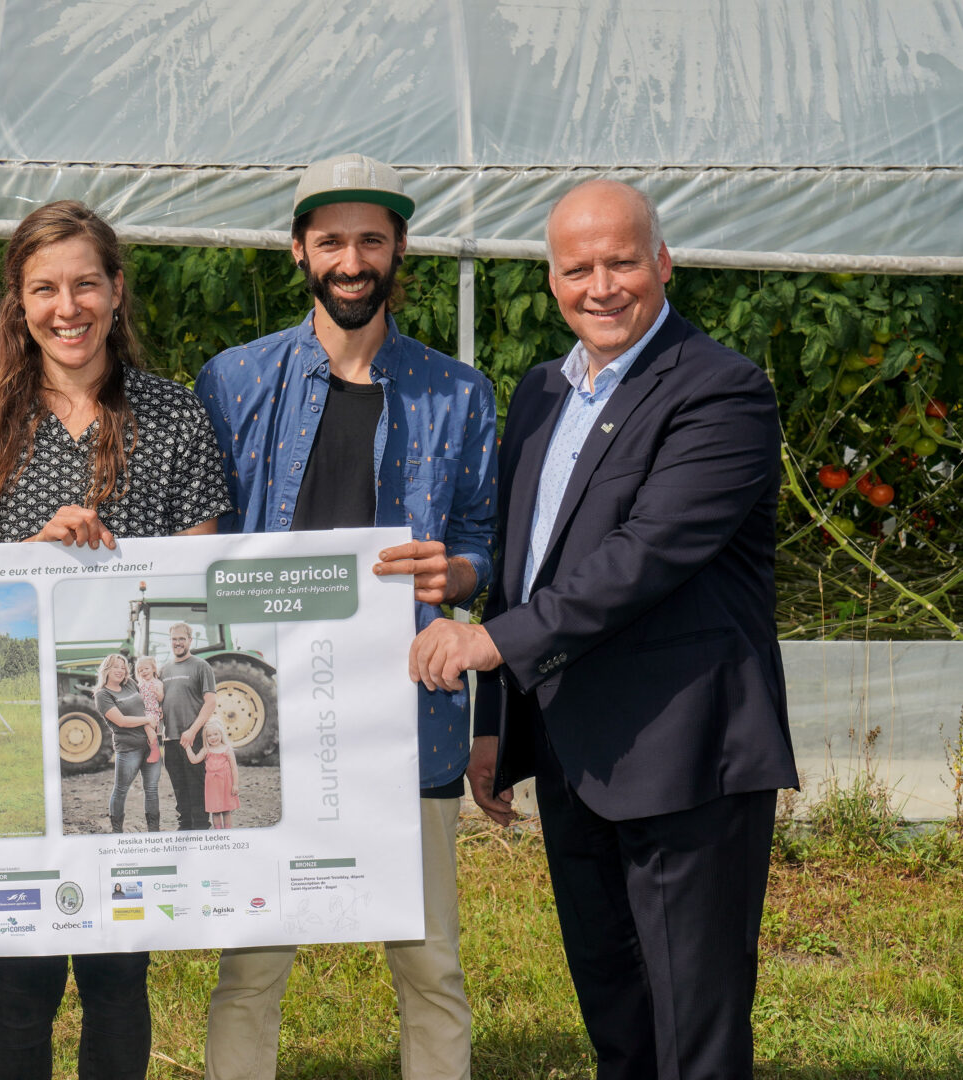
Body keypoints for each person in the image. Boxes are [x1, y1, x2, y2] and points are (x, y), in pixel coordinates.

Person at [410, 178, 798, 1080]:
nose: (602, 285)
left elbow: (645, 556)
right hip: (578, 757)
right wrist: (496, 723)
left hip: (685, 753)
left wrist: (488, 644)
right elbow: (526, 561)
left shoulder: (723, 391)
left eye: (622, 261)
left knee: (693, 1034)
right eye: (578, 267)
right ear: (552, 281)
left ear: (663, 263)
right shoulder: (545, 391)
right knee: (617, 1019)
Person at [195, 152, 496, 1080]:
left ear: (399, 248)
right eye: (332, 240)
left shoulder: (457, 393)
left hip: (405, 713)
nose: (352, 258)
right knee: (251, 963)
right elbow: (199, 537)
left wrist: (459, 570)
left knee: (429, 960)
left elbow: (485, 540)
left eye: (371, 239)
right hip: (266, 716)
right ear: (299, 251)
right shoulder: (236, 382)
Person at [0, 199, 231, 1079]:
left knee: (116, 976)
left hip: (120, 740)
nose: (68, 307)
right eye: (45, 288)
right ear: (18, 303)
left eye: (85, 284)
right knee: (19, 983)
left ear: (117, 290)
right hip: (26, 735)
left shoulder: (173, 419)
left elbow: (195, 577)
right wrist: (32, 555)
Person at [93, 652, 163, 832]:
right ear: (106, 669)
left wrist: (158, 709)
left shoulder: (131, 684)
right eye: (116, 667)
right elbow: (122, 721)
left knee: (152, 789)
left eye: (123, 667)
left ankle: (153, 832)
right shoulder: (103, 695)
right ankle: (118, 832)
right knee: (121, 790)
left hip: (149, 745)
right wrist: (147, 720)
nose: (120, 670)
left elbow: (148, 702)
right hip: (129, 749)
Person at [158, 622, 217, 830]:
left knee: (196, 786)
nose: (177, 643)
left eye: (182, 639)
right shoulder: (163, 670)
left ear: (190, 641)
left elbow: (210, 702)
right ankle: (184, 827)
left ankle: (201, 827)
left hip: (193, 738)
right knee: (179, 787)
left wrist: (192, 731)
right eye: (174, 639)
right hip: (170, 740)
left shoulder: (201, 666)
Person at [186, 719, 240, 829]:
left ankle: (227, 832)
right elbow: (194, 760)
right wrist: (187, 747)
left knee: (226, 810)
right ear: (206, 738)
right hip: (212, 785)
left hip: (226, 784)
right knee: (215, 811)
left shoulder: (227, 749)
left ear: (221, 734)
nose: (213, 737)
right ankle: (218, 833)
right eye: (209, 735)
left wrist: (235, 785)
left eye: (216, 734)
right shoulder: (206, 750)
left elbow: (234, 769)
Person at [133, 655, 163, 764]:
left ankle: (155, 749)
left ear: (153, 668)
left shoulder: (157, 683)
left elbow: (161, 698)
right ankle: (146, 750)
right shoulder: (140, 684)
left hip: (152, 712)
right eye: (141, 670)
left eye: (146, 669)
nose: (144, 672)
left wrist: (158, 693)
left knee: (147, 726)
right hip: (142, 712)